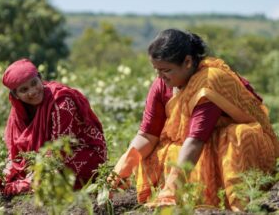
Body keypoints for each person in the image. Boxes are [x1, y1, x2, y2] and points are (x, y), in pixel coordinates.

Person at [110, 29, 279, 211]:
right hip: (193, 147)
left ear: (188, 62)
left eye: (166, 70)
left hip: (227, 148)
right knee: (157, 153)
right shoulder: (161, 85)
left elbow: (196, 140)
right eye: (156, 70)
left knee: (238, 135)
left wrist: (171, 190)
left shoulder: (208, 82)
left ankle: (237, 205)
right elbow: (147, 135)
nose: (160, 77)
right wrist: (119, 171)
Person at [0, 59, 107, 195]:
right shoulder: (18, 112)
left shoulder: (61, 103)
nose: (32, 92)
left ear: (40, 79)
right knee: (6, 178)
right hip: (45, 158)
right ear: (15, 95)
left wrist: (30, 179)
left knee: (46, 180)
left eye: (34, 83)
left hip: (80, 153)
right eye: (24, 90)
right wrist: (8, 171)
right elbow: (15, 151)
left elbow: (59, 151)